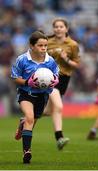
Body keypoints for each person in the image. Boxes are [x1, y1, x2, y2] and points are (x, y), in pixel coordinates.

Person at [15, 18, 80, 150]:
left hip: (64, 79)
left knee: (49, 111)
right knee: (59, 106)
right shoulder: (47, 41)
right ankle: (59, 137)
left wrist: (65, 58)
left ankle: (25, 121)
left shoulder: (72, 45)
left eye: (61, 26)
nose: (58, 29)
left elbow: (76, 65)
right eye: (56, 26)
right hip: (47, 78)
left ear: (66, 29)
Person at [11, 31, 59, 164]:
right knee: (30, 118)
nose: (44, 48)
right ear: (32, 46)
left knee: (32, 121)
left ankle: (23, 124)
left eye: (45, 46)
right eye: (40, 45)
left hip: (42, 95)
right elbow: (15, 78)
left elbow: (56, 76)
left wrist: (55, 81)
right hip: (26, 93)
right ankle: (27, 152)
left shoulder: (50, 61)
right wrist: (27, 82)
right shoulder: (22, 60)